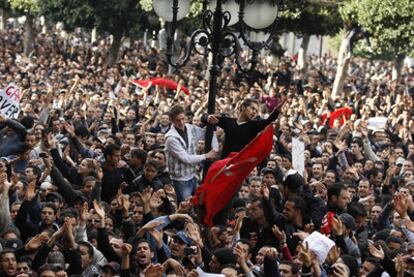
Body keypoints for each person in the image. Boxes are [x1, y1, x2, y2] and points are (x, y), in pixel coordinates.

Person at [165, 105, 218, 202]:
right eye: (177, 120)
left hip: (193, 175)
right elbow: (186, 158)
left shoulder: (190, 128)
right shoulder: (171, 138)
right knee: (186, 207)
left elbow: (207, 134)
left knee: (198, 203)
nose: (181, 122)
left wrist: (215, 148)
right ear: (172, 120)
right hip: (181, 180)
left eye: (183, 119)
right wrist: (206, 155)